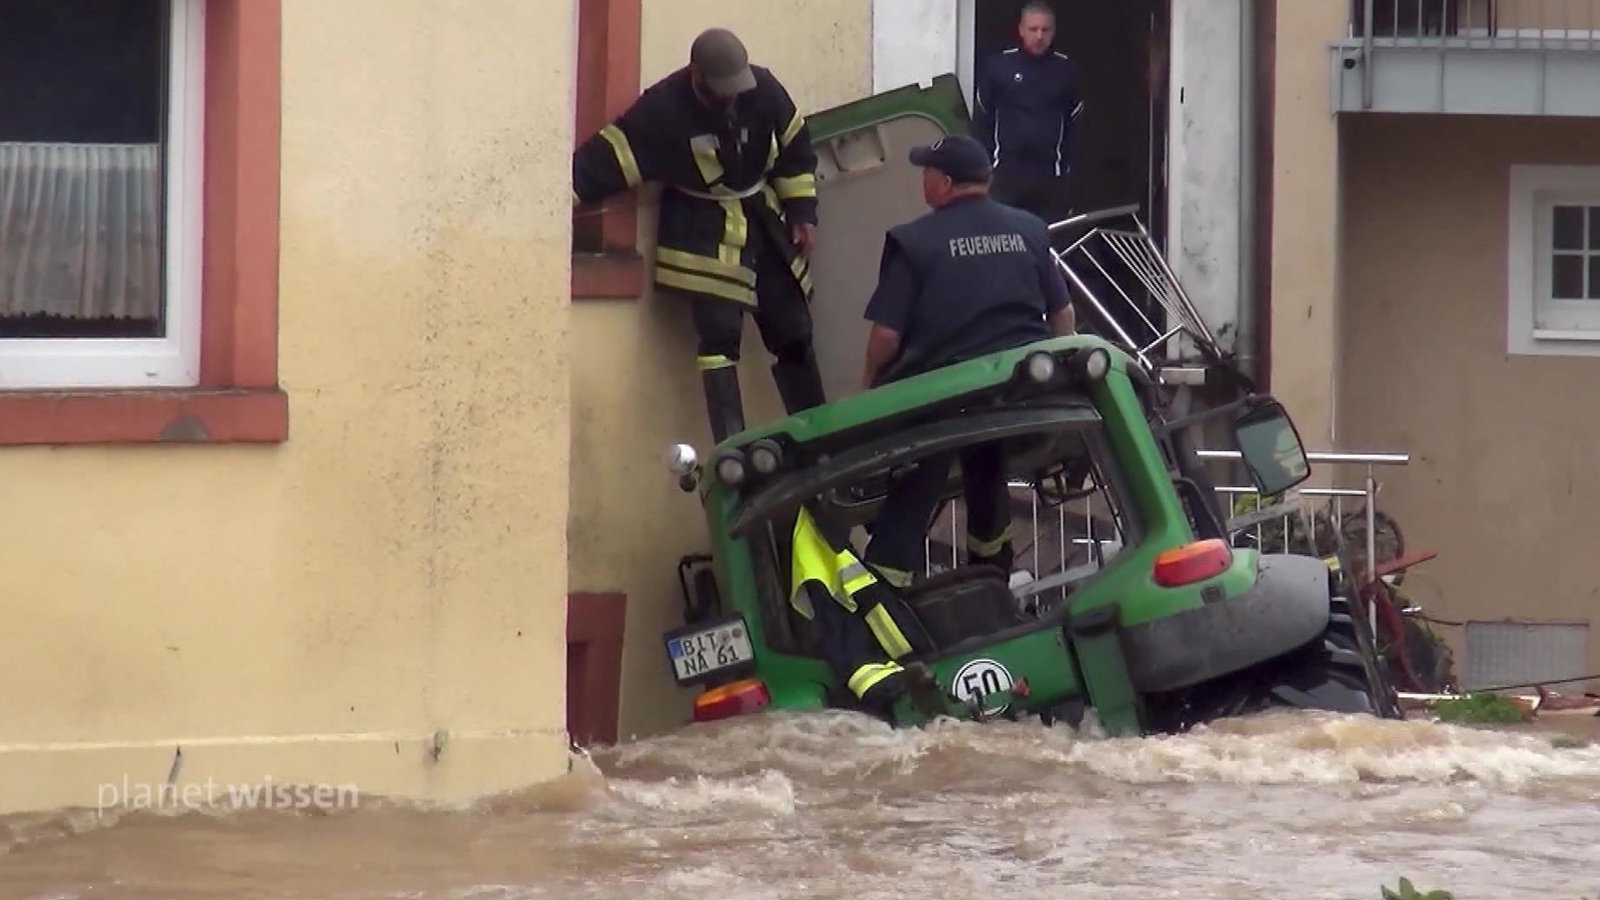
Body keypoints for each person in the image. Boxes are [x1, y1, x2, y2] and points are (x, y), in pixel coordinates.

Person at [572, 28, 827, 444]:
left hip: (761, 222)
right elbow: (605, 160)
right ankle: (734, 449)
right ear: (696, 75)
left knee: (794, 327)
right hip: (701, 234)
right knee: (719, 337)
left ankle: (821, 437)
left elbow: (796, 149)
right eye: (721, 90)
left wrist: (802, 212)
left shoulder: (764, 89)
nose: (731, 98)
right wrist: (545, 201)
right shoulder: (662, 109)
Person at [857, 133, 1077, 587]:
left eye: (926, 173)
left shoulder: (913, 241)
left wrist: (868, 386)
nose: (923, 181)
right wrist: (1061, 374)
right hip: (1019, 396)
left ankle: (885, 607)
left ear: (945, 183)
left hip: (939, 401)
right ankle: (993, 580)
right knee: (986, 466)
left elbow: (886, 335)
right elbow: (1063, 314)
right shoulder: (1030, 229)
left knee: (911, 497)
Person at [970, 1, 1083, 228]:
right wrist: (984, 168)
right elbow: (982, 120)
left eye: (1045, 30)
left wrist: (1070, 173)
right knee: (1003, 242)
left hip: (1050, 176)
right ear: (1021, 30)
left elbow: (1076, 126)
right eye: (1033, 29)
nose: (1039, 36)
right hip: (1006, 174)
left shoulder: (1066, 71)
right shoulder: (999, 66)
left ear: (1053, 32)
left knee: (1049, 243)